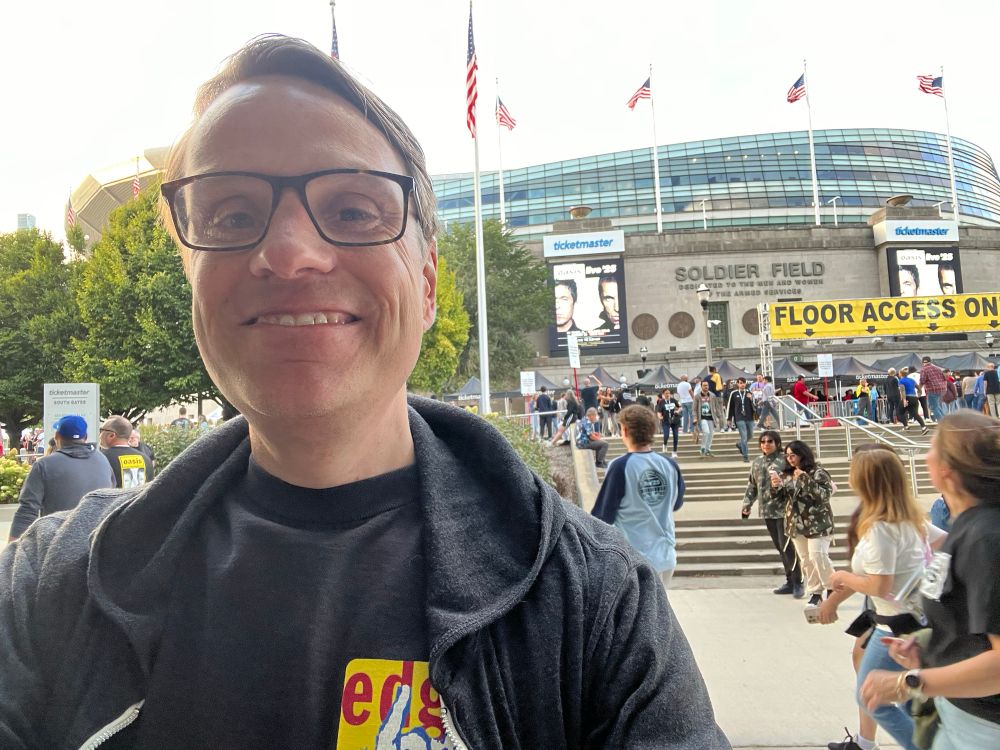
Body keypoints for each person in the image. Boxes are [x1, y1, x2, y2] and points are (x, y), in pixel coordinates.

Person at [0, 37, 729, 749]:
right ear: (190, 275)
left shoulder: (594, 599)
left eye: (352, 210)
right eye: (231, 214)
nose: (288, 253)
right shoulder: (46, 586)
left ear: (428, 284)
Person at [860, 412, 1000, 749]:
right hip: (959, 712)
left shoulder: (985, 537)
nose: (925, 455)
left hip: (984, 726)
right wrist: (929, 644)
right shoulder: (966, 526)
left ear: (948, 470)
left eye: (933, 445)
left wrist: (909, 682)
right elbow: (971, 619)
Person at [820, 446, 945, 750]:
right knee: (897, 697)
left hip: (896, 625)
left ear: (865, 481)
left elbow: (879, 585)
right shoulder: (908, 519)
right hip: (901, 621)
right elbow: (947, 541)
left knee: (871, 696)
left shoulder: (881, 529)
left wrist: (842, 578)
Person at [592, 405, 684, 590]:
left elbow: (602, 517)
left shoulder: (620, 467)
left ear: (624, 430)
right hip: (666, 556)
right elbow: (676, 503)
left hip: (634, 560)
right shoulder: (669, 465)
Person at [7, 416, 114, 542]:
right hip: (97, 541)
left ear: (57, 436)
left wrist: (12, 548)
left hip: (57, 543)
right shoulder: (102, 460)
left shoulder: (44, 465)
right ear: (85, 437)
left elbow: (28, 510)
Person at [741, 430, 802, 598]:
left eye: (770, 441)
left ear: (777, 443)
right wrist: (747, 503)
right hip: (767, 511)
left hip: (784, 510)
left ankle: (798, 581)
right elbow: (752, 485)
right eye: (763, 442)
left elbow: (795, 480)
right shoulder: (757, 462)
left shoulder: (784, 460)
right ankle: (789, 581)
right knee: (780, 547)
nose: (766, 444)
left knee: (787, 546)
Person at [773, 440, 835, 607]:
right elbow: (782, 501)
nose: (790, 459)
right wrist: (777, 487)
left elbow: (824, 495)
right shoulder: (787, 474)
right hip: (796, 523)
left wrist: (805, 479)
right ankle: (815, 591)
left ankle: (832, 586)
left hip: (818, 523)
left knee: (818, 555)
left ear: (802, 454)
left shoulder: (818, 473)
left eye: (793, 455)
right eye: (787, 456)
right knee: (806, 560)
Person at [100, 415, 154, 489]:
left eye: (101, 431)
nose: (100, 435)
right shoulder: (145, 459)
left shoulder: (102, 458)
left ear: (112, 435)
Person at [727, 377, 755, 462]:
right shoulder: (734, 393)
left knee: (750, 435)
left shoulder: (749, 393)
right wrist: (729, 418)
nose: (742, 384)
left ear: (745, 384)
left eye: (743, 383)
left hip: (749, 417)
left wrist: (751, 399)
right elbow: (730, 406)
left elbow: (755, 405)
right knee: (744, 436)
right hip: (739, 418)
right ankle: (745, 456)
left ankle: (739, 444)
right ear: (738, 384)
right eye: (740, 383)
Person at [693, 380, 719, 457]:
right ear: (701, 386)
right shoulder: (697, 396)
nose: (706, 387)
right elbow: (694, 408)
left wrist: (718, 415)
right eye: (704, 385)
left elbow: (716, 406)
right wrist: (695, 417)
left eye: (707, 385)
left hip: (711, 417)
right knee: (706, 432)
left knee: (711, 434)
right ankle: (702, 448)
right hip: (702, 418)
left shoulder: (712, 395)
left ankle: (708, 449)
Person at [898, 367, 928, 435]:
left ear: (900, 374)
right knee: (915, 414)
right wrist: (918, 395)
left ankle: (906, 426)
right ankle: (924, 427)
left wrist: (904, 400)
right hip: (914, 398)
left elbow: (902, 391)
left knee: (900, 412)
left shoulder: (901, 381)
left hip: (907, 397)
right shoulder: (912, 380)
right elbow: (919, 388)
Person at [919, 356, 948, 423]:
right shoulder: (938, 368)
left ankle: (942, 422)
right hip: (942, 389)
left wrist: (919, 389)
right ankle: (944, 420)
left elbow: (922, 381)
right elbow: (944, 378)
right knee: (937, 405)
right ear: (930, 361)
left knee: (933, 407)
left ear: (923, 362)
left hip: (933, 390)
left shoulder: (924, 369)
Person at [656, 387, 681, 458]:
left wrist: (678, 411)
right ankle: (665, 444)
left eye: (669, 393)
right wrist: (660, 417)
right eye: (666, 393)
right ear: (663, 394)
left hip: (674, 420)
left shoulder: (673, 400)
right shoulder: (661, 402)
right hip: (666, 421)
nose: (668, 394)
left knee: (675, 436)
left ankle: (674, 451)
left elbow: (680, 407)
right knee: (666, 435)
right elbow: (659, 412)